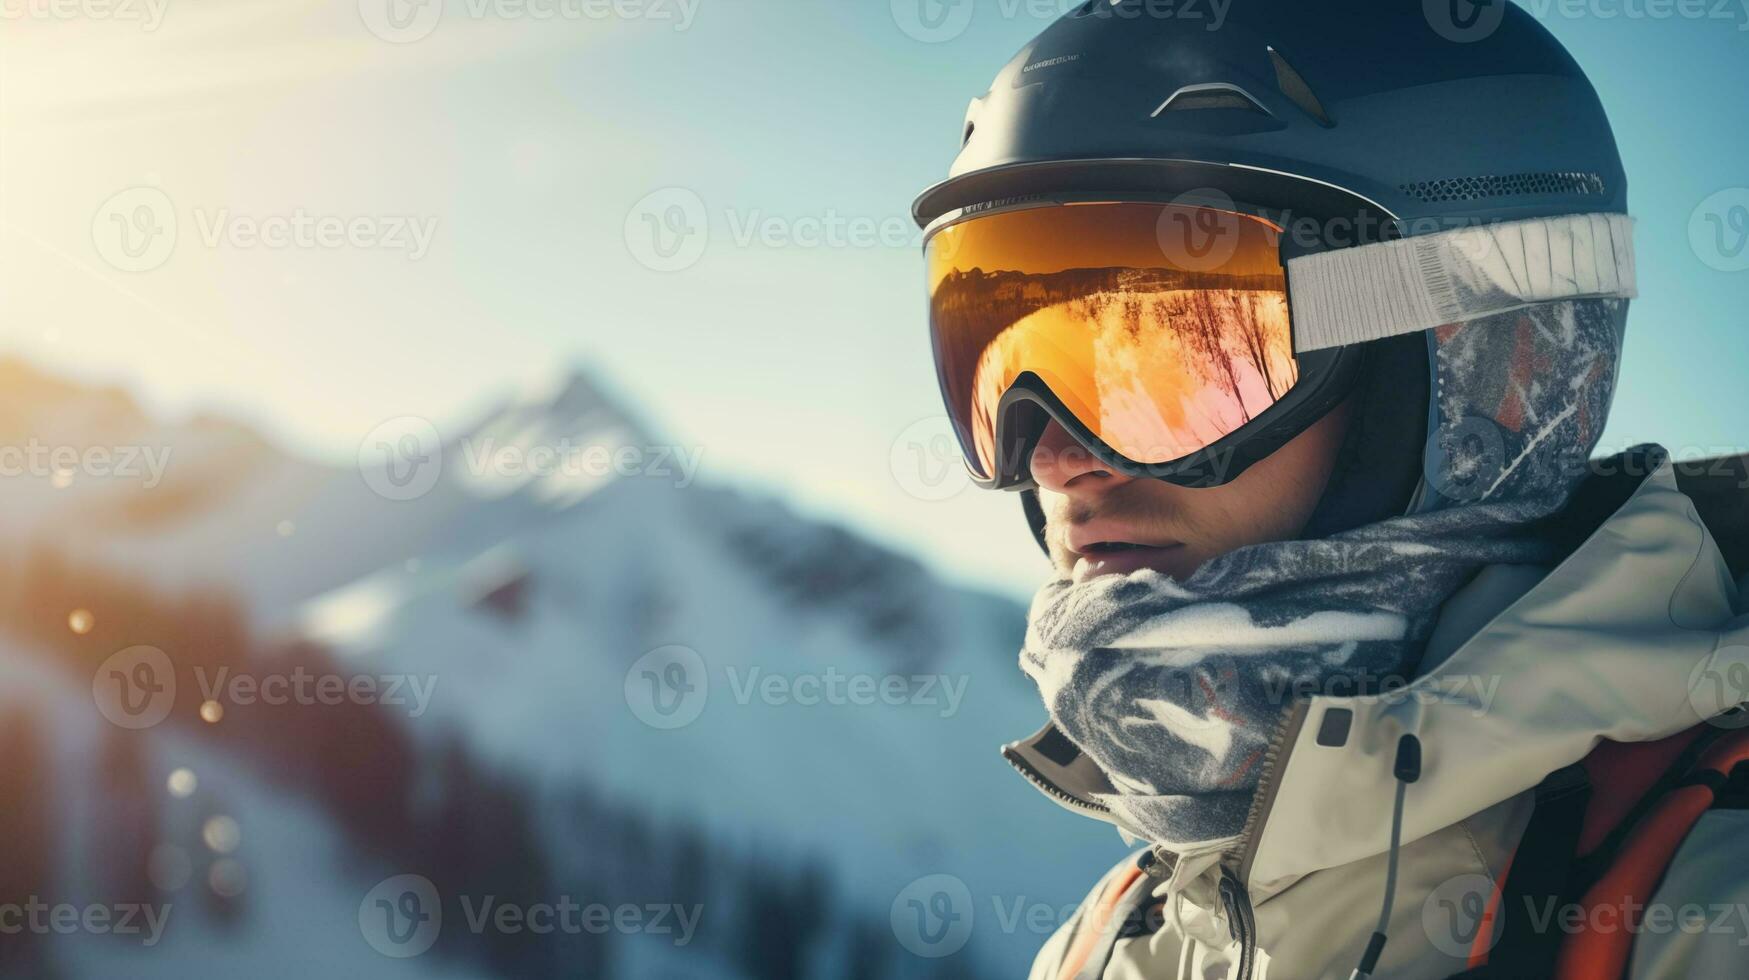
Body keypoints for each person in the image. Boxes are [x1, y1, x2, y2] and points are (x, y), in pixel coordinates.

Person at [910, 3, 1749, 977]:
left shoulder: (1701, 901)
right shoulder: (1115, 937)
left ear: (1492, 364)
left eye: (1172, 353)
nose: (1053, 456)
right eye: (996, 355)